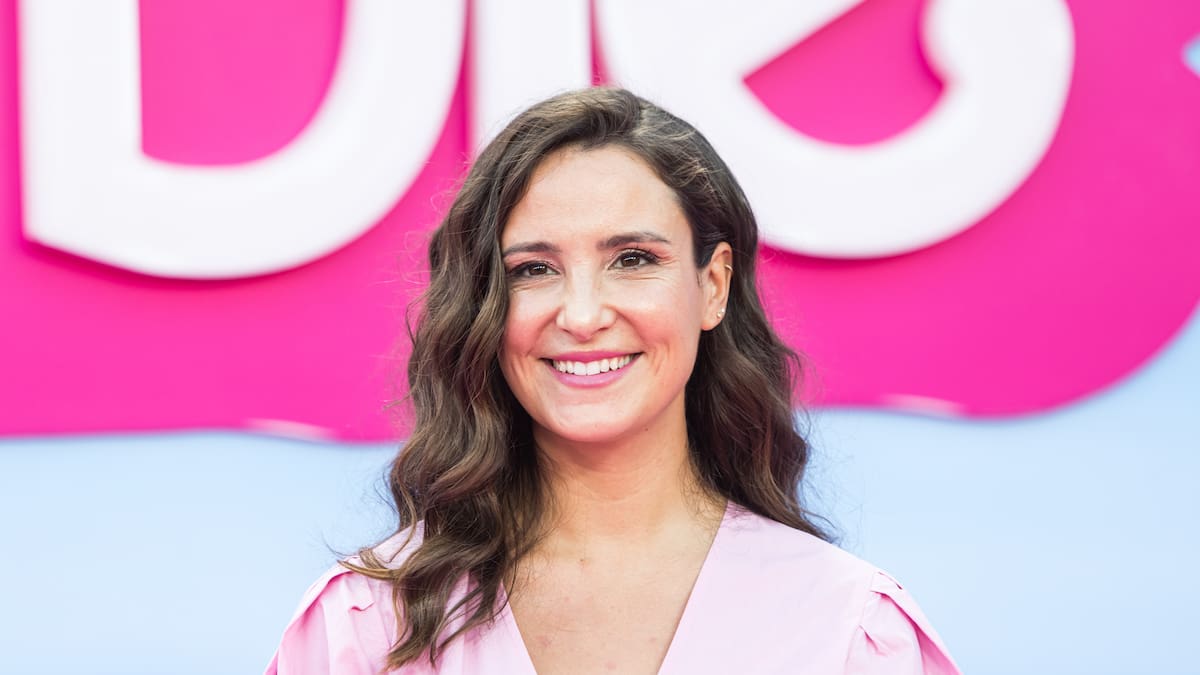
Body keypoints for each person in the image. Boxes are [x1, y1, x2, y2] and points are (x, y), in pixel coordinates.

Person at [266, 87, 961, 674]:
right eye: (533, 270)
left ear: (713, 285)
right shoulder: (365, 627)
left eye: (632, 259)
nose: (582, 315)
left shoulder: (848, 631)